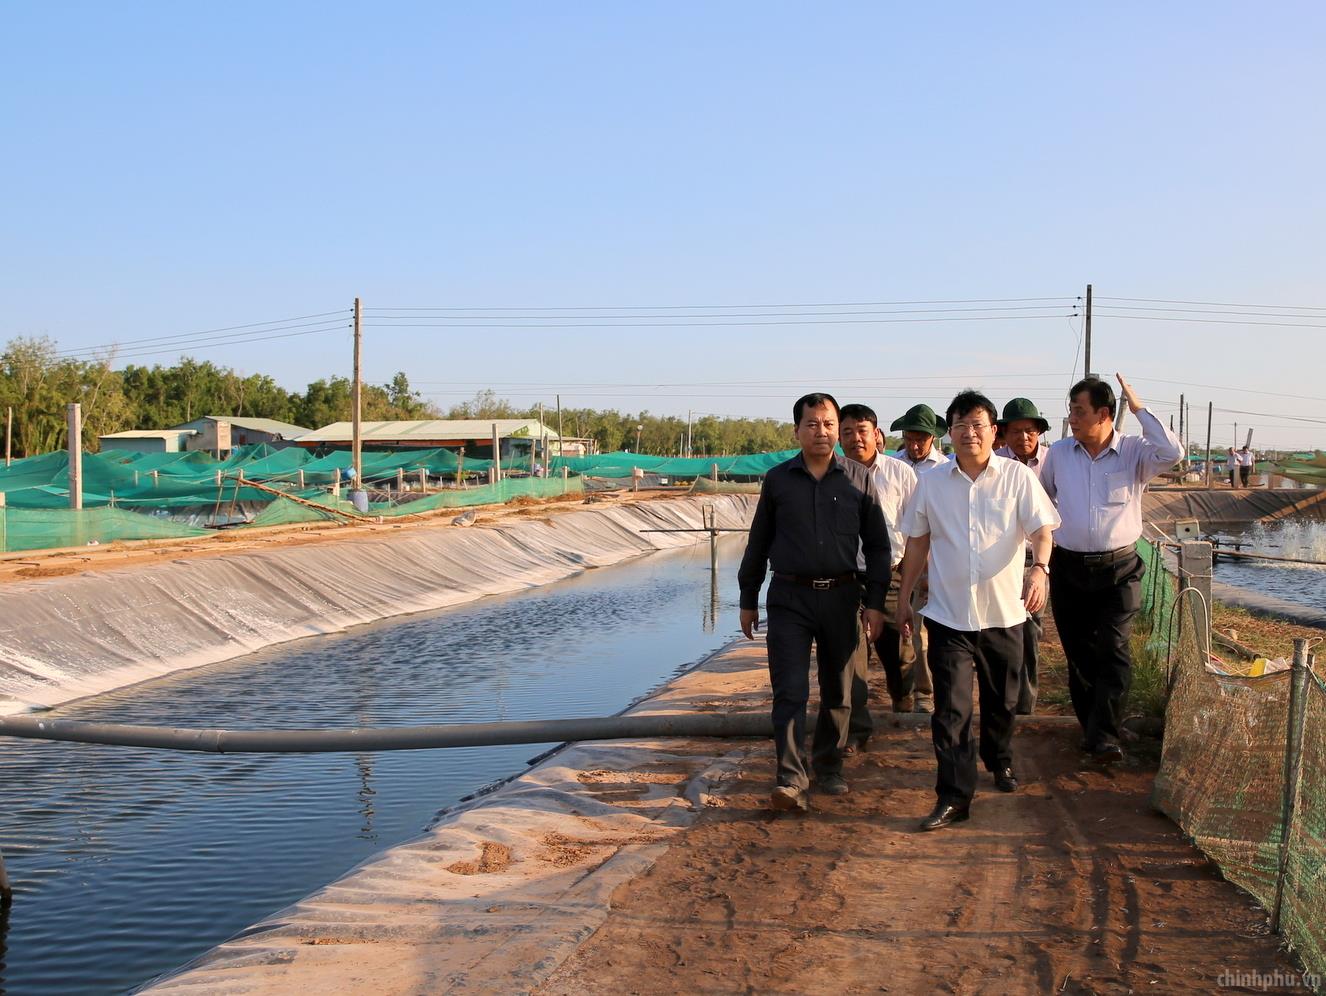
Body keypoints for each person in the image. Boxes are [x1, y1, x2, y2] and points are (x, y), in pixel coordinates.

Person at [897, 390, 1059, 831]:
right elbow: (917, 542)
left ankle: (999, 757)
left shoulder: (1017, 478)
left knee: (1002, 702)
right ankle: (954, 796)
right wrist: (905, 597)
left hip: (1004, 615)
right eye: (960, 425)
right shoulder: (932, 483)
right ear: (948, 433)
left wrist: (1040, 569)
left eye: (977, 425)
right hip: (948, 616)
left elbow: (1042, 531)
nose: (969, 433)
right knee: (950, 712)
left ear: (994, 432)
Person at [738, 393, 892, 812]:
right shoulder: (778, 480)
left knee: (839, 690)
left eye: (828, 424)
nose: (821, 432)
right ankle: (790, 778)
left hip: (843, 596)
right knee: (789, 690)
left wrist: (875, 602)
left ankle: (829, 765)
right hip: (790, 597)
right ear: (797, 431)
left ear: (837, 429)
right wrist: (748, 598)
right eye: (812, 424)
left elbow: (878, 546)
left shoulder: (858, 478)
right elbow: (759, 542)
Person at [1039, 374, 1182, 764]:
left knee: (1114, 648)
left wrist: (1138, 409)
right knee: (1079, 654)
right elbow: (1042, 500)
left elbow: (1173, 452)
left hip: (1119, 570)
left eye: (1079, 411)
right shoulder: (1059, 454)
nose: (1072, 419)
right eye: (1070, 411)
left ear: (1104, 413)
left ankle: (1105, 737)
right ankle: (1092, 729)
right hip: (1069, 569)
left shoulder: (1134, 452)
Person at [839, 404, 918, 742]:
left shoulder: (901, 474)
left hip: (891, 576)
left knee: (898, 652)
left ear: (877, 434)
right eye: (847, 432)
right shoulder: (832, 474)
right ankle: (856, 729)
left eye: (862, 431)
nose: (855, 438)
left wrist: (912, 580)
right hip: (845, 579)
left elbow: (918, 531)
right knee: (851, 657)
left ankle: (903, 704)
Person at [994, 397, 1051, 715]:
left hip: (1037, 560)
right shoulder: (995, 463)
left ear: (1038, 432)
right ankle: (1001, 697)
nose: (1023, 437)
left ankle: (1025, 702)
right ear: (1004, 433)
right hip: (1002, 560)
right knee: (1000, 629)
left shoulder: (1053, 461)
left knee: (1030, 628)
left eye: (1029, 430)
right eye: (1015, 431)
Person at [889, 404, 949, 475]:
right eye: (908, 439)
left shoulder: (945, 468)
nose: (913, 447)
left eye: (920, 440)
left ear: (933, 437)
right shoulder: (891, 464)